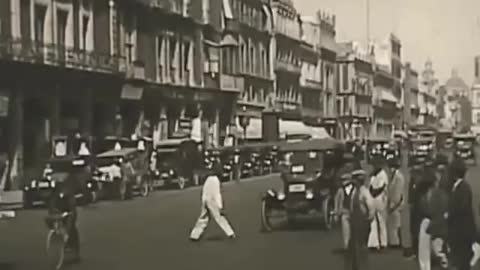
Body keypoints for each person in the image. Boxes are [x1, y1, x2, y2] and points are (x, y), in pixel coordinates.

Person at [189, 164, 236, 241]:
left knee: (203, 218)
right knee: (219, 217)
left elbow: (204, 191)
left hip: (205, 199)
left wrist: (203, 202)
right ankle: (230, 233)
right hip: (212, 201)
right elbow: (217, 194)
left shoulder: (208, 179)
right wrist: (220, 206)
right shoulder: (216, 180)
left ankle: (194, 235)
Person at [447, 158, 476, 270]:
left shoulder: (462, 189)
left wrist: (448, 214)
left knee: (462, 263)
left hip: (462, 234)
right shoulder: (460, 187)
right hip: (461, 233)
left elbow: (460, 210)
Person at [47, 167, 80, 262]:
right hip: (58, 210)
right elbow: (51, 203)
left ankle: (73, 249)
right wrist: (52, 211)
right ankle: (58, 239)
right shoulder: (54, 193)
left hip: (69, 210)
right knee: (52, 220)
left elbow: (72, 206)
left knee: (71, 227)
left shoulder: (69, 192)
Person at [344, 169, 374, 270]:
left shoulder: (365, 192)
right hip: (354, 222)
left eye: (355, 180)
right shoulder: (354, 192)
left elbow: (371, 207)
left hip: (362, 222)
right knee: (353, 247)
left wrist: (368, 220)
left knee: (360, 246)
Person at [367, 155, 389, 250]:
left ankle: (383, 243)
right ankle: (373, 243)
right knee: (373, 221)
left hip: (380, 199)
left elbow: (380, 188)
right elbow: (370, 186)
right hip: (373, 199)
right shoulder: (374, 175)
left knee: (381, 221)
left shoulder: (382, 175)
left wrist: (372, 193)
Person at [386, 155, 405, 249]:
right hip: (392, 203)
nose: (390, 169)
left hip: (396, 204)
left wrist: (393, 206)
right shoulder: (392, 177)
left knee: (397, 224)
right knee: (393, 224)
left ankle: (397, 243)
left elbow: (398, 193)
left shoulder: (399, 177)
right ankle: (394, 242)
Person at [335, 171, 355, 250]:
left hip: (354, 213)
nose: (344, 182)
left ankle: (353, 246)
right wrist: (336, 213)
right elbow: (337, 202)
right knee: (345, 231)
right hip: (344, 212)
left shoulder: (355, 189)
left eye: (345, 179)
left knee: (354, 231)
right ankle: (346, 247)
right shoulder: (340, 190)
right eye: (342, 180)